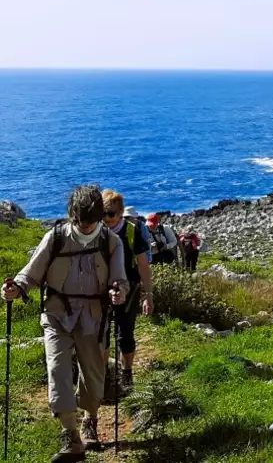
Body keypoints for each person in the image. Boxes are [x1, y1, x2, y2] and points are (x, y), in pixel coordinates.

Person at [2, 185, 128, 462]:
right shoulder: (56, 238)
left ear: (98, 216)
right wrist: (16, 289)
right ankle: (71, 437)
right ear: (73, 216)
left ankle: (90, 419)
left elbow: (119, 279)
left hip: (94, 316)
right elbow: (31, 274)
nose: (85, 227)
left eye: (91, 221)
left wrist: (118, 291)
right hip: (57, 315)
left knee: (93, 376)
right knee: (57, 370)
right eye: (81, 221)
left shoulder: (111, 243)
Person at [101, 191, 153, 392]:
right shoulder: (97, 231)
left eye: (111, 214)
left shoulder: (132, 231)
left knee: (125, 333)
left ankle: (127, 373)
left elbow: (143, 266)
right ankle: (106, 375)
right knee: (102, 333)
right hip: (101, 289)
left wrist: (148, 295)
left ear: (121, 212)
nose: (107, 219)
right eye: (102, 214)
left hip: (129, 289)